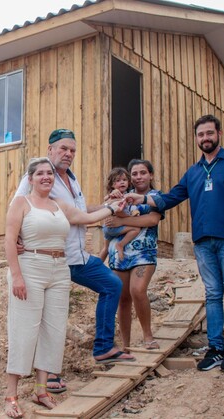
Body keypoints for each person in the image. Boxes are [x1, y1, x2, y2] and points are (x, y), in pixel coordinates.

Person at [127, 115, 224, 372]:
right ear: (196, 138)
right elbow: (170, 198)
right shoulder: (193, 172)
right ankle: (214, 349)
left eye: (209, 133)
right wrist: (140, 200)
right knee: (212, 294)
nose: (205, 138)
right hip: (202, 242)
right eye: (200, 135)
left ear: (219, 134)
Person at [13, 129, 136, 389]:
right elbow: (17, 205)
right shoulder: (40, 173)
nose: (68, 154)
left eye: (72, 150)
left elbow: (80, 212)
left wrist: (108, 203)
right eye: (63, 149)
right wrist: (15, 238)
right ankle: (49, 374)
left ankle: (103, 348)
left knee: (112, 285)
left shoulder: (71, 178)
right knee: (48, 316)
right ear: (50, 150)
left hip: (78, 256)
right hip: (52, 257)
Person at [4, 157, 125, 418]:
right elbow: (9, 240)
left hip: (60, 269)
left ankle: (41, 390)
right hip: (30, 267)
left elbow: (86, 217)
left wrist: (113, 208)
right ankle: (11, 395)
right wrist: (16, 276)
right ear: (31, 178)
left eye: (49, 173)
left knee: (54, 330)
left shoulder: (59, 205)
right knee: (24, 329)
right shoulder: (21, 203)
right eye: (40, 174)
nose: (46, 177)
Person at [104, 159, 164, 350]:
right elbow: (108, 216)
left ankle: (148, 336)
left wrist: (123, 221)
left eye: (143, 173)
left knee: (137, 291)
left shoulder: (156, 196)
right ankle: (126, 345)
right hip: (119, 252)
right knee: (122, 298)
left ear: (150, 175)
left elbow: (152, 220)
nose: (138, 177)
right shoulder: (122, 196)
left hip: (144, 252)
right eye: (135, 174)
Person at [98, 167, 142, 261]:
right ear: (113, 185)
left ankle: (96, 266)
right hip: (112, 226)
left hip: (107, 226)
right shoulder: (115, 194)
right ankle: (120, 245)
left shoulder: (127, 194)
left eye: (124, 180)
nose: (122, 182)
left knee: (105, 248)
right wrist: (130, 217)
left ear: (128, 182)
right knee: (136, 228)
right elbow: (109, 202)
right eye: (118, 180)